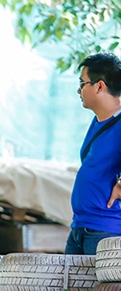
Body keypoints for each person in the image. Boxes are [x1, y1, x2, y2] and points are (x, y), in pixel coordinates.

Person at [65, 52, 121, 255]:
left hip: (105, 230)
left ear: (99, 86)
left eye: (82, 83)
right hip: (80, 226)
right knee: (66, 278)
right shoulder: (99, 121)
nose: (79, 90)